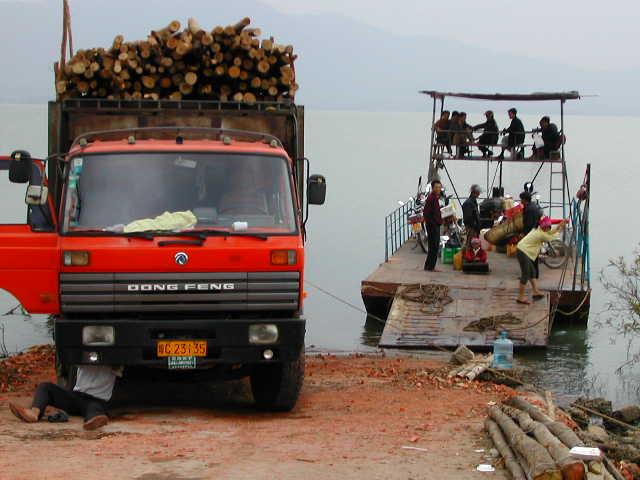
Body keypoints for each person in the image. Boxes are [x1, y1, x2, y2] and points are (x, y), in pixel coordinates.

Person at [8, 365, 121, 430]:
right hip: (76, 396)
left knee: (94, 409)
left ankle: (94, 421)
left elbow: (117, 366)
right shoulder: (81, 355)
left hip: (97, 399)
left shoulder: (115, 362)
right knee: (45, 386)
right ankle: (34, 413)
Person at [516, 217, 567, 304]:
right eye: (548, 227)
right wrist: (560, 228)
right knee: (526, 274)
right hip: (523, 252)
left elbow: (549, 232)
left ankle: (536, 291)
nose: (549, 229)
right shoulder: (540, 234)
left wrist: (558, 226)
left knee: (532, 272)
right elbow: (551, 238)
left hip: (526, 252)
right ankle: (520, 297)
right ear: (544, 226)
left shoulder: (539, 229)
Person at [423, 179, 443, 271]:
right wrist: (433, 224)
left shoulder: (435, 197)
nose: (438, 189)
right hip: (433, 226)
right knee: (434, 247)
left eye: (439, 187)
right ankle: (430, 267)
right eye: (436, 187)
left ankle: (429, 266)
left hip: (435, 225)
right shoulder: (431, 198)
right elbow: (426, 213)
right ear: (433, 188)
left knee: (433, 247)